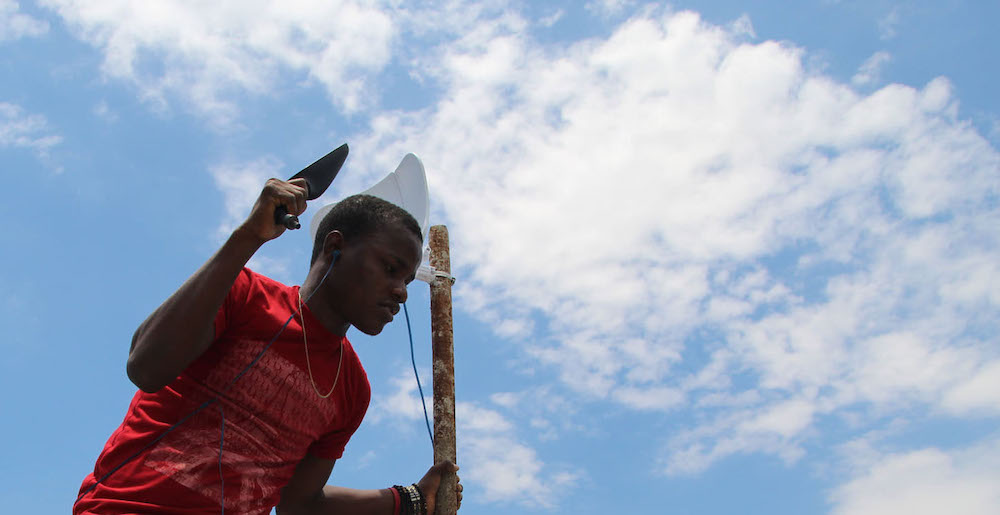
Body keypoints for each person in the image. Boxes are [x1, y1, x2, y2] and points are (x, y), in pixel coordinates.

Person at [74, 177, 462, 514]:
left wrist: (409, 500)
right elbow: (145, 367)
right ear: (334, 247)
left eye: (408, 281)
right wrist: (249, 235)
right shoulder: (242, 295)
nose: (400, 292)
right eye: (390, 269)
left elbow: (299, 504)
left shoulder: (352, 389)